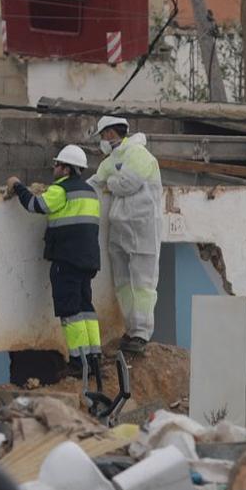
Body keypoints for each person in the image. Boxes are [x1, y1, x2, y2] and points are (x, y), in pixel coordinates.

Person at [8, 145, 103, 387]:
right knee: (85, 308)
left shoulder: (61, 190)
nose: (54, 168)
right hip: (88, 259)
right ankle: (94, 358)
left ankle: (77, 361)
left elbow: (35, 205)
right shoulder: (90, 192)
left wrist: (18, 186)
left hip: (67, 260)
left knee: (70, 312)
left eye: (57, 164)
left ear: (66, 168)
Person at [91, 114, 163, 354]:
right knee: (123, 282)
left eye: (102, 135)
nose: (102, 140)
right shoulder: (111, 160)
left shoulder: (139, 154)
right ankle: (131, 330)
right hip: (120, 228)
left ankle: (142, 333)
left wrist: (110, 182)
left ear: (111, 133)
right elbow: (95, 182)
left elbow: (127, 184)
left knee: (142, 283)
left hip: (143, 228)